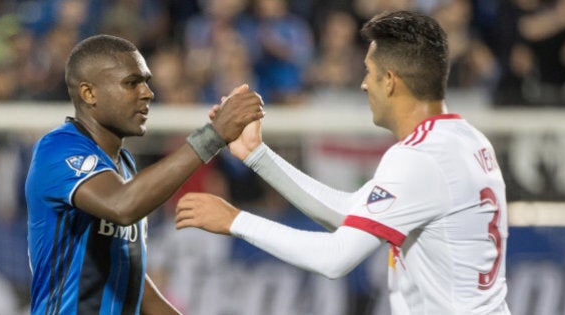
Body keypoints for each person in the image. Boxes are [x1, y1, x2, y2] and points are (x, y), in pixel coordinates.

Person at [175, 10, 510, 314]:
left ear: (390, 81)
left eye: (370, 71)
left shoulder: (419, 158)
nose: (364, 83)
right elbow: (351, 214)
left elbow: (335, 258)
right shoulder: (467, 140)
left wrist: (236, 221)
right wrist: (256, 155)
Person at [25, 34, 264, 314]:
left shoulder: (123, 166)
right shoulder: (58, 149)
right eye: (131, 83)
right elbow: (121, 205)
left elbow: (132, 280)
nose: (147, 93)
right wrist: (212, 137)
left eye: (146, 82)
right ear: (89, 93)